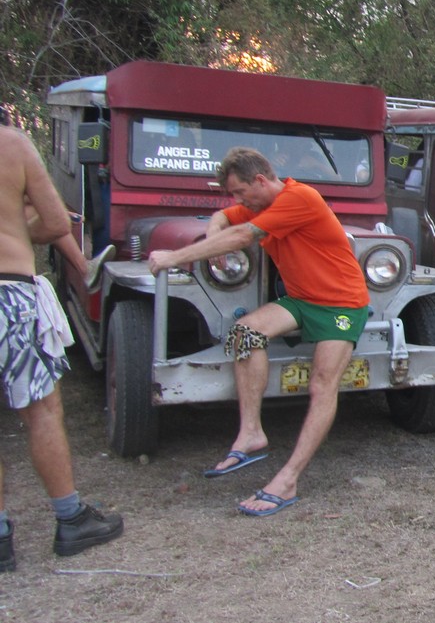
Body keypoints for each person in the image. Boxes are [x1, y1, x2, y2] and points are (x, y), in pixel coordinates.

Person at [147, 147, 370, 516]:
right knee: (244, 332)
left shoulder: (299, 197)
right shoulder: (259, 204)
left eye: (240, 192)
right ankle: (251, 433)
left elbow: (242, 236)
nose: (238, 200)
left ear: (261, 181)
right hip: (302, 300)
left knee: (322, 385)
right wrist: (215, 227)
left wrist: (173, 258)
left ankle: (288, 479)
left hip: (342, 303)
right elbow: (224, 218)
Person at [0, 123, 124, 572]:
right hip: (8, 292)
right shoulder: (11, 143)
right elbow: (56, 222)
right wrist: (17, 227)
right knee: (42, 410)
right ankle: (71, 519)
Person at [2, 109, 114, 291]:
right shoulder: (13, 143)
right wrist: (17, 233)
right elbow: (57, 223)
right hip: (10, 283)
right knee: (48, 217)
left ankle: (85, 268)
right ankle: (84, 268)